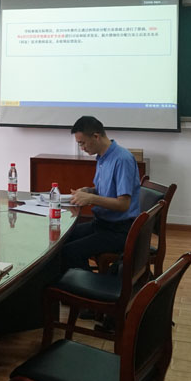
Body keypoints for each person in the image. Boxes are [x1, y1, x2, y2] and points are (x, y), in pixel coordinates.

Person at [61, 116, 142, 271]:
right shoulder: (102, 158)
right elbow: (106, 191)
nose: (82, 148)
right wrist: (89, 191)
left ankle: (85, 284)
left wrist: (91, 198)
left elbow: (123, 204)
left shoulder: (122, 159)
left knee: (70, 252)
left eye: (82, 143)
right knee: (61, 238)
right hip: (102, 224)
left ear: (96, 136)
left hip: (120, 230)